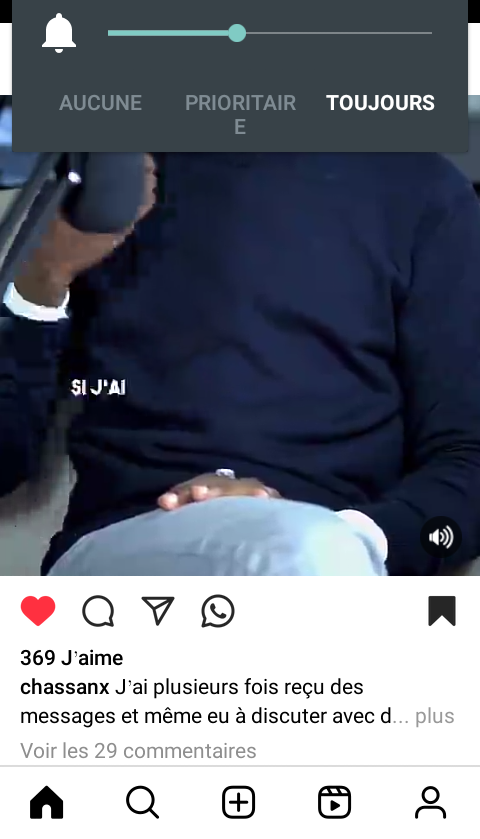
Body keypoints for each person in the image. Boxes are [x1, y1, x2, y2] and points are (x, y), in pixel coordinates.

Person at [1, 152, 480, 577]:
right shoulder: (96, 174)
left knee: (310, 553)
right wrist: (45, 274)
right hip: (125, 538)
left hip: (332, 550)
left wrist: (355, 536)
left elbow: (467, 457)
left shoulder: (423, 189)